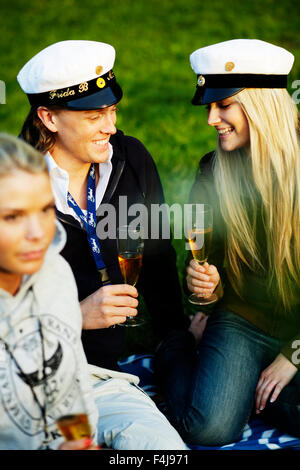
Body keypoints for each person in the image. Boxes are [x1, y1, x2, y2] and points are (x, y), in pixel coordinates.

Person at [17, 40, 188, 450]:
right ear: (49, 117)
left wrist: (176, 335)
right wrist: (76, 316)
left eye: (112, 111)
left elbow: (159, 252)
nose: (110, 127)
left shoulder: (129, 158)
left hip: (101, 381)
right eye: (94, 116)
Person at [155, 39, 300, 446]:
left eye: (224, 105)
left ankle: (247, 384)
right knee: (210, 427)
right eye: (209, 106)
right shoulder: (212, 169)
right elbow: (203, 261)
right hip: (242, 320)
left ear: (260, 103)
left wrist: (292, 356)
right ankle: (174, 347)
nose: (211, 119)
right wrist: (206, 289)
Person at [0, 133, 99, 450]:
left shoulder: (55, 271)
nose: (37, 234)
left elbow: (67, 385)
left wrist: (77, 441)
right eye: (13, 217)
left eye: (44, 210)